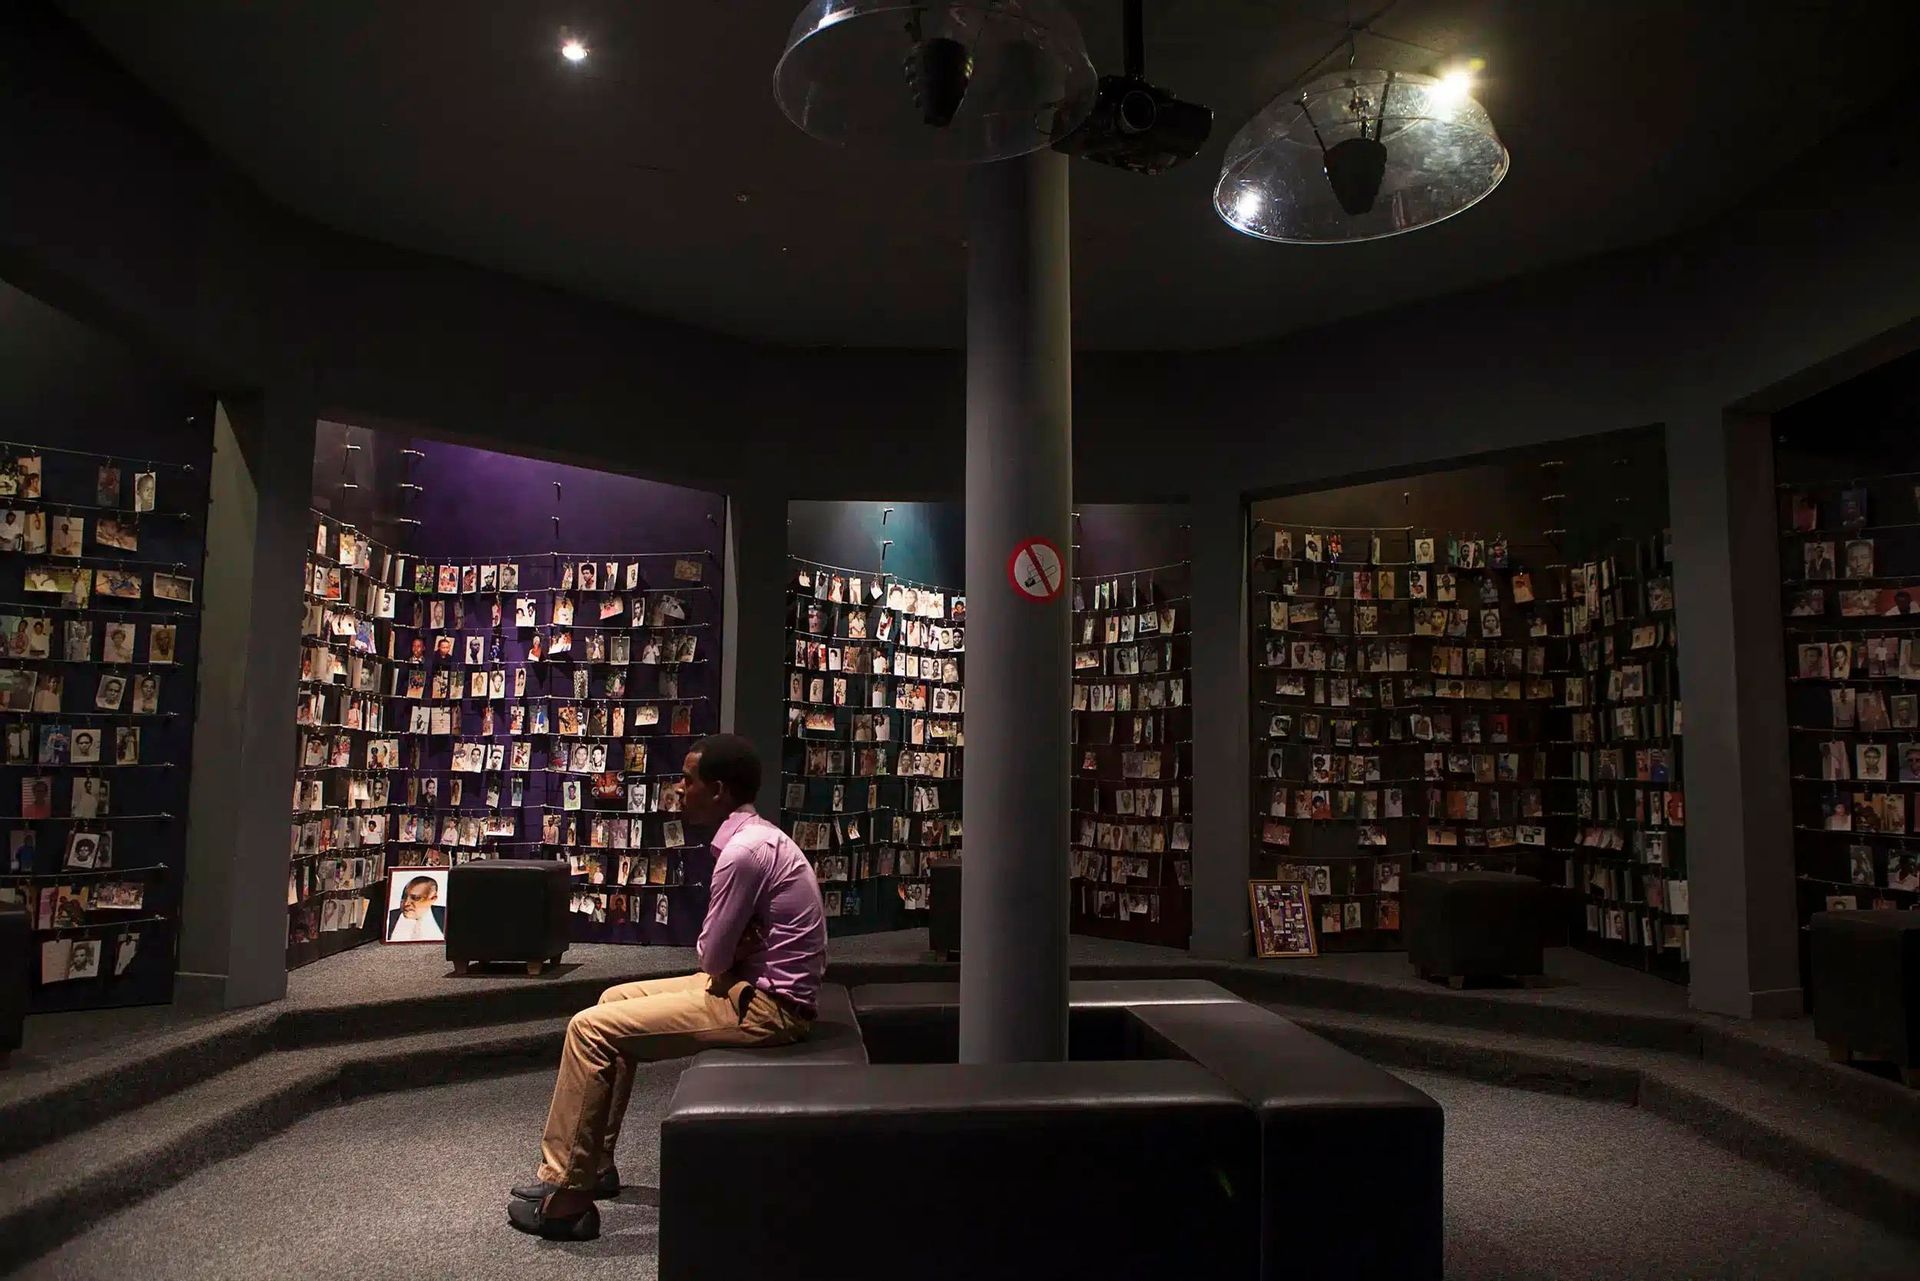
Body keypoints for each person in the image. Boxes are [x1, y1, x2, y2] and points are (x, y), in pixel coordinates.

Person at [508, 733, 826, 1241]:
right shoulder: (756, 838)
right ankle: (595, 1166)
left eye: (688, 779)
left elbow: (710, 955)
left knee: (589, 1030)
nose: (679, 790)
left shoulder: (743, 853)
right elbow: (726, 952)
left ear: (718, 790)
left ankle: (567, 1197)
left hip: (767, 1006)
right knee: (612, 1000)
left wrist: (735, 948)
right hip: (745, 985)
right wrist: (740, 946)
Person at [386, 874, 445, 941]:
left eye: (415, 898)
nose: (406, 903)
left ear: (433, 899)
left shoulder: (446, 915)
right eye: (404, 897)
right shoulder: (389, 917)